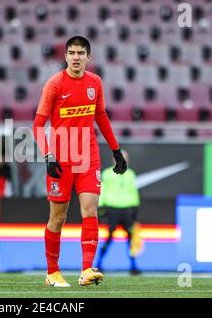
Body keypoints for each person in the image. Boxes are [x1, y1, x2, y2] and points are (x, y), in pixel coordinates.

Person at [32, 36, 127, 287]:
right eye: (71, 53)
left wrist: (115, 150)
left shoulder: (94, 82)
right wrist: (48, 156)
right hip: (61, 159)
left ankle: (87, 269)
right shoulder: (54, 84)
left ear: (88, 57)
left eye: (80, 53)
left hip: (88, 157)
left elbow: (101, 116)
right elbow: (38, 125)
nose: (76, 57)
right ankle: (52, 273)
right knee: (57, 218)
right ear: (65, 56)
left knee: (90, 210)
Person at [96, 150, 142, 275]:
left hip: (127, 209)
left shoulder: (131, 174)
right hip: (113, 209)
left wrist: (135, 208)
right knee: (109, 238)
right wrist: (101, 207)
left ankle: (133, 266)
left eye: (125, 158)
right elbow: (103, 190)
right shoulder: (107, 173)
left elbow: (133, 191)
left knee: (131, 239)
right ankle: (99, 264)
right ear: (114, 159)